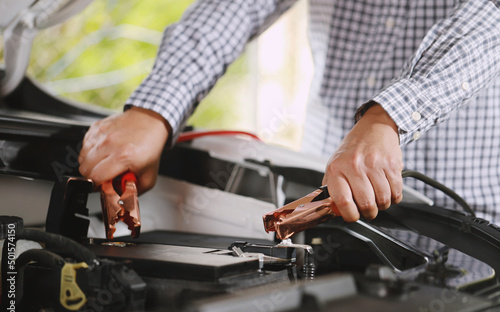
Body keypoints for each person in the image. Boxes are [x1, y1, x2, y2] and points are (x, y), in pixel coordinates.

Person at [78, 0, 500, 224]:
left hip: (475, 214)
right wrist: (154, 111)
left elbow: (489, 19)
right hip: (329, 195)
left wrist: (388, 117)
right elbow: (238, 6)